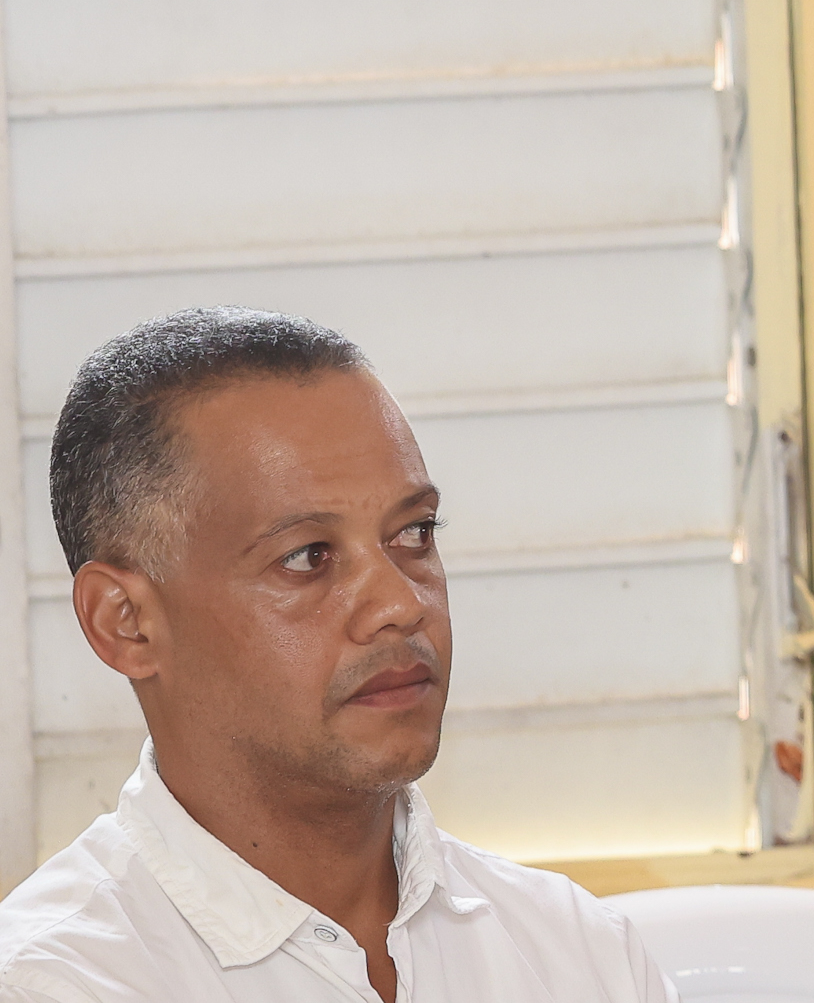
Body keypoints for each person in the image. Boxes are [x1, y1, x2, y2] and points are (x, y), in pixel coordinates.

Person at [0, 308, 677, 1002]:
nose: (400, 603)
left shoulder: (582, 955)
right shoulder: (49, 983)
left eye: (414, 533)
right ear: (127, 624)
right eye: (307, 557)